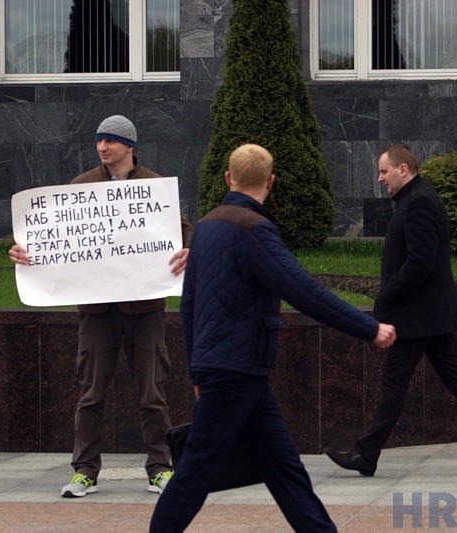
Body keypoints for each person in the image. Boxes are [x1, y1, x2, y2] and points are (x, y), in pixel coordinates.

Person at [149, 144, 396, 532]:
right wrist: (370, 328)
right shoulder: (255, 230)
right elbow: (303, 291)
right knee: (196, 472)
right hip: (237, 371)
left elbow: (189, 307)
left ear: (227, 178)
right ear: (270, 182)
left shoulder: (207, 226)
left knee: (285, 470)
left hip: (234, 371)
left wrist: (197, 369)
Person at [8, 115, 193, 497]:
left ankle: (160, 469)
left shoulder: (153, 187)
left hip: (145, 309)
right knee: (90, 393)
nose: (102, 147)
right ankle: (85, 472)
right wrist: (23, 251)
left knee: (153, 393)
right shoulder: (80, 188)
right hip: (96, 312)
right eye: (99, 140)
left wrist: (190, 249)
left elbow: (183, 229)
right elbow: (53, 236)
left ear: (130, 146)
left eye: (110, 140)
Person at [323, 144, 457, 477]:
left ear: (403, 169)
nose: (380, 178)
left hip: (418, 315)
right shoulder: (415, 198)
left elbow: (420, 262)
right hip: (429, 314)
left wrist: (388, 294)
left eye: (384, 171)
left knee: (395, 383)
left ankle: (366, 454)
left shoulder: (419, 201)